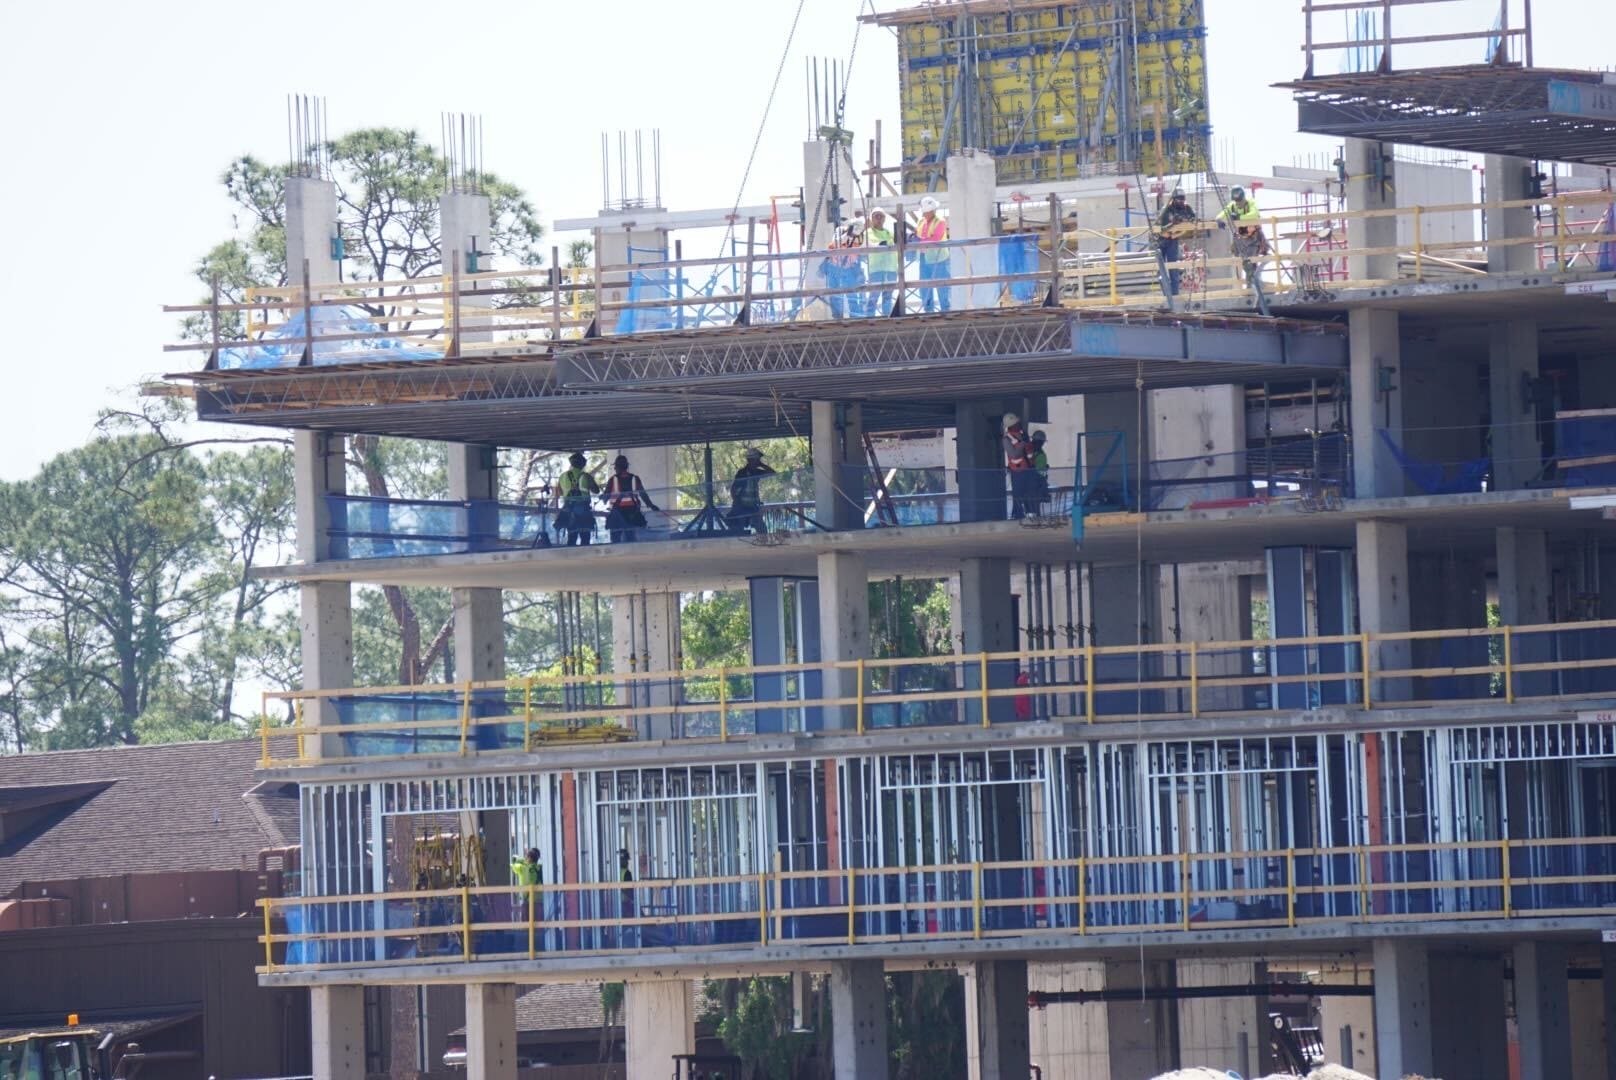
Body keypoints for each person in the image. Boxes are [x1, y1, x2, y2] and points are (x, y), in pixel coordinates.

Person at [602, 455, 661, 543]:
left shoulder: (612, 480)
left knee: (615, 539)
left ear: (617, 467)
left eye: (615, 466)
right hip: (632, 512)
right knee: (631, 538)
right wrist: (651, 505)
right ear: (626, 466)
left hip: (617, 513)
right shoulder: (635, 479)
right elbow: (643, 494)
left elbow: (605, 499)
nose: (614, 468)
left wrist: (603, 497)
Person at [1218, 186, 1269, 280]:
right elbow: (1221, 215)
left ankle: (1254, 283)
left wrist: (1239, 217)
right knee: (1245, 263)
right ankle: (1252, 284)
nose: (1238, 204)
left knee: (1253, 262)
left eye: (1240, 201)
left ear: (1244, 198)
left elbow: (1254, 214)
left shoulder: (1250, 203)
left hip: (1254, 239)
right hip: (1241, 240)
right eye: (1237, 202)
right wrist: (1219, 220)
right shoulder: (1232, 205)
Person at [1156, 186, 1198, 296]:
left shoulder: (1186, 208)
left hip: (1173, 240)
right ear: (1173, 200)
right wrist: (1172, 224)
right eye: (1179, 200)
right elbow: (1161, 229)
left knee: (1173, 268)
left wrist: (1178, 233)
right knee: (1161, 269)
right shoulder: (1166, 210)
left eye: (1183, 199)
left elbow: (1194, 219)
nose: (1181, 202)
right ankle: (1166, 294)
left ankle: (1174, 294)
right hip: (1160, 241)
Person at [726, 447, 776, 535]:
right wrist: (738, 504)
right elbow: (733, 489)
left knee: (762, 530)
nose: (758, 461)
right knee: (738, 531)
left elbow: (772, 473)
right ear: (751, 460)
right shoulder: (742, 473)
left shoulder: (756, 472)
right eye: (757, 459)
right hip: (741, 507)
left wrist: (762, 465)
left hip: (753, 507)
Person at [553, 452, 599, 546]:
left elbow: (560, 493)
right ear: (582, 464)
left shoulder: (563, 476)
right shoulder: (586, 476)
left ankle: (569, 557)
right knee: (585, 538)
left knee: (571, 537)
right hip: (584, 510)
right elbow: (596, 490)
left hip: (569, 510)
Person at [914, 195, 951, 312]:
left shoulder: (940, 221)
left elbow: (936, 238)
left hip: (940, 259)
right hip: (924, 258)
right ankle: (928, 311)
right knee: (925, 287)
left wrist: (919, 240)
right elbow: (918, 234)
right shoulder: (921, 221)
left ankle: (946, 310)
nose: (924, 214)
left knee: (943, 286)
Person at [823, 220, 866, 319]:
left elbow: (866, 246)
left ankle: (855, 317)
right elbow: (836, 243)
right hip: (834, 268)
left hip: (849, 269)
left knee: (852, 295)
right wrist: (848, 234)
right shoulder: (840, 231)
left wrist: (880, 244)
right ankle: (837, 317)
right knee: (835, 295)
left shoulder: (860, 236)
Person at [864, 208, 898, 317]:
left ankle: (886, 317)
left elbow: (897, 244)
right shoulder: (868, 232)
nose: (878, 219)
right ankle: (870, 318)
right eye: (876, 216)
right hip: (876, 270)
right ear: (872, 219)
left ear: (884, 219)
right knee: (874, 295)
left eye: (881, 216)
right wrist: (880, 244)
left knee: (888, 296)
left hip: (891, 269)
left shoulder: (890, 233)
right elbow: (869, 244)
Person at [1003, 413, 1034, 519]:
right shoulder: (1006, 439)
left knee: (1028, 492)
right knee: (1018, 494)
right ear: (1012, 425)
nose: (1019, 424)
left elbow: (1030, 451)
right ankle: (1017, 514)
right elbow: (1013, 454)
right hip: (1017, 471)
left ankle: (1030, 513)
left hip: (1028, 469)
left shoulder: (1022, 435)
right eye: (1017, 423)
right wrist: (1023, 443)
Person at [510, 847, 543, 927]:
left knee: (526, 927)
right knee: (539, 927)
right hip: (539, 901)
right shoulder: (540, 868)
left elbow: (513, 864)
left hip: (527, 902)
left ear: (528, 858)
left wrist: (519, 859)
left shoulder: (522, 868)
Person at [1028, 429, 1050, 513]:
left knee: (1035, 503)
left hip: (1038, 481)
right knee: (1033, 503)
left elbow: (1039, 469)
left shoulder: (1040, 454)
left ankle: (1036, 517)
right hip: (1034, 481)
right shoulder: (1032, 452)